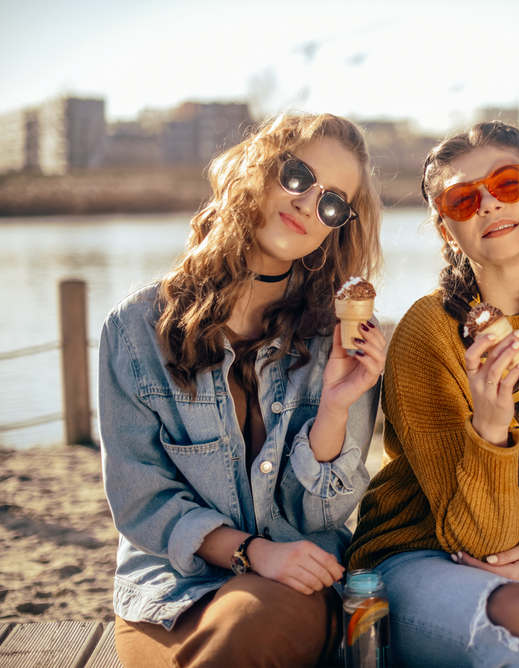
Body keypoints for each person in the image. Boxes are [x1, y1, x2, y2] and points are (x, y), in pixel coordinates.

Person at [99, 112, 387, 667]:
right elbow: (140, 499)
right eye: (298, 176)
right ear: (258, 168)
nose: (308, 204)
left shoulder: (344, 340)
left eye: (331, 203)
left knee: (250, 625)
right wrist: (253, 553)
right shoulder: (134, 330)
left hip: (296, 584)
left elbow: (323, 516)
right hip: (170, 594)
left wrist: (334, 405)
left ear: (336, 229)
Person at [344, 121, 519, 666]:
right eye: (463, 199)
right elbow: (479, 537)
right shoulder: (431, 331)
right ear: (447, 230)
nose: (488, 203)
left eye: (507, 183)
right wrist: (490, 429)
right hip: (421, 556)